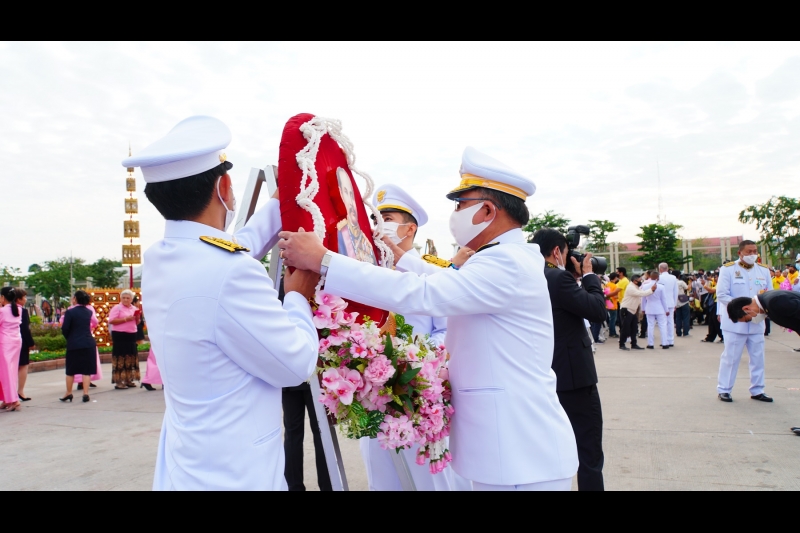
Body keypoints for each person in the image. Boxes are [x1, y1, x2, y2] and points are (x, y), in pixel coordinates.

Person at [279, 146, 579, 491]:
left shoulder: (506, 263)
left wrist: (325, 261)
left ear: (486, 210)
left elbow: (427, 295)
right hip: (508, 452)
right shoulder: (502, 258)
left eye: (461, 205)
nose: (455, 214)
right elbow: (441, 282)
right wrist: (399, 256)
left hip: (519, 455)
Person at [123, 115, 318, 491]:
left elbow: (228, 248)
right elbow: (295, 365)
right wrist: (297, 296)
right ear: (224, 185)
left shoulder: (162, 257)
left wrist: (278, 208)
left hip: (190, 463)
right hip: (236, 473)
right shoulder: (232, 272)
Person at [358, 184, 456, 490]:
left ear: (409, 228)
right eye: (376, 218)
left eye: (386, 216)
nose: (379, 224)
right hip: (375, 394)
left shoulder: (432, 271)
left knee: (426, 479)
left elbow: (446, 331)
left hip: (419, 394)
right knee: (381, 476)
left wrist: (419, 362)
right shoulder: (364, 268)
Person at [531, 228, 607, 491]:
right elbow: (598, 310)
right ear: (556, 252)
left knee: (547, 448)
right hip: (575, 379)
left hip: (542, 374)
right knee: (589, 451)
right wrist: (588, 275)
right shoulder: (558, 278)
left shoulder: (531, 277)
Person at [716, 240, 773, 403]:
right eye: (749, 251)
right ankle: (724, 389)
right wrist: (743, 309)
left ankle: (757, 389)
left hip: (757, 321)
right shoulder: (728, 270)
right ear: (740, 253)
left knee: (758, 357)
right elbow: (722, 295)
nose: (752, 254)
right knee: (731, 357)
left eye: (755, 251)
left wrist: (759, 310)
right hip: (735, 322)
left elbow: (769, 294)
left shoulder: (763, 271)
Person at [60, 291, 98, 404]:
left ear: (75, 299)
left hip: (74, 343)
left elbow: (65, 328)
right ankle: (85, 393)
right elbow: (94, 323)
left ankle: (68, 392)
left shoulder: (70, 312)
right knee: (86, 370)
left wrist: (70, 338)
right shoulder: (88, 311)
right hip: (88, 342)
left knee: (71, 370)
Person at [107, 289, 141, 389]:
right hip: (120, 335)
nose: (125, 300)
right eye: (123, 298)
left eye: (128, 298)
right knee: (120, 357)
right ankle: (118, 381)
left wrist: (138, 317)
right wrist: (126, 319)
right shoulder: (117, 308)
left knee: (130, 357)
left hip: (131, 335)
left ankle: (128, 379)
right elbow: (111, 320)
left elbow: (136, 322)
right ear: (120, 298)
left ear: (131, 299)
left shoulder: (134, 308)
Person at [619, 274, 658, 350]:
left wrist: (651, 290)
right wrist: (651, 290)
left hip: (633, 310)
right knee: (625, 328)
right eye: (640, 281)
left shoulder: (636, 287)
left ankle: (634, 344)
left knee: (634, 328)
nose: (641, 282)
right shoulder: (631, 287)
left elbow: (643, 292)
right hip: (627, 309)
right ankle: (622, 344)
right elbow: (642, 294)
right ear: (635, 281)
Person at [0, 287, 22, 412]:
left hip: (5, 343)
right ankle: (6, 399)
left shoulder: (2, 311)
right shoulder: (19, 309)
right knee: (11, 371)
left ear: (3, 297)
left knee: (6, 372)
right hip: (16, 341)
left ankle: (14, 400)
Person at [641, 271, 670, 349]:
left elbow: (643, 298)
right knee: (662, 326)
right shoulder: (661, 287)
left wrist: (643, 308)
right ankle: (664, 343)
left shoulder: (645, 286)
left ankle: (650, 344)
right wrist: (666, 309)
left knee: (650, 326)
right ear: (658, 277)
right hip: (659, 308)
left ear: (650, 276)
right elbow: (663, 299)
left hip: (649, 307)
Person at [16, 289, 34, 402]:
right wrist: (31, 343)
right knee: (23, 366)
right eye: (24, 297)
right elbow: (25, 329)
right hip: (20, 342)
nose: (25, 299)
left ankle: (9, 393)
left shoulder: (3, 310)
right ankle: (20, 391)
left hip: (6, 343)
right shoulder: (22, 311)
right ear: (18, 299)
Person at [657, 263, 679, 347]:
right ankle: (671, 340)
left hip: (661, 303)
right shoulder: (673, 278)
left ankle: (664, 340)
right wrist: (675, 303)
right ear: (668, 268)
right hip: (671, 302)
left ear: (660, 269)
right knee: (670, 321)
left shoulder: (659, 277)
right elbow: (675, 292)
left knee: (662, 322)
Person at [701, 272, 724, 343]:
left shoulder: (721, 284)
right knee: (711, 320)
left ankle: (722, 336)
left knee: (716, 321)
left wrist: (704, 285)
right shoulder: (716, 283)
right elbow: (711, 281)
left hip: (718, 303)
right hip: (714, 303)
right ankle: (710, 337)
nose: (715, 278)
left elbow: (711, 290)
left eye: (716, 277)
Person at [605, 272, 621, 338]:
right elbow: (615, 296)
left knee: (611, 319)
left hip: (608, 303)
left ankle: (612, 332)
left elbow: (606, 294)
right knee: (613, 319)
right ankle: (612, 333)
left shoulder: (607, 284)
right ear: (615, 278)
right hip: (613, 304)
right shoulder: (615, 286)